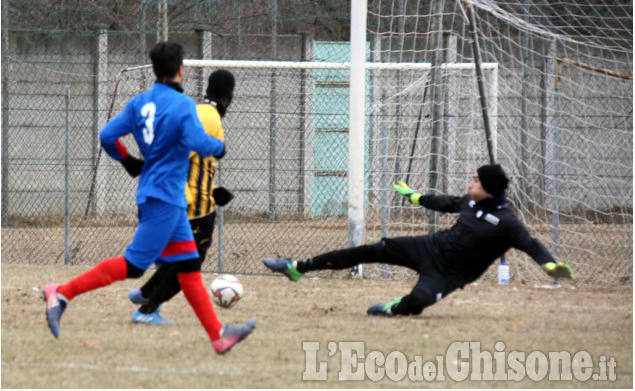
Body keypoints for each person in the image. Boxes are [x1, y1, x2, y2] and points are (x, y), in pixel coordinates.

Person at [43, 42, 256, 354]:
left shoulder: (139, 103)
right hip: (165, 198)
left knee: (188, 266)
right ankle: (61, 292)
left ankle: (218, 335)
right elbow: (200, 142)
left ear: (155, 70)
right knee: (133, 265)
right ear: (180, 69)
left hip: (157, 195)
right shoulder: (182, 105)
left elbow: (106, 136)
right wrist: (219, 147)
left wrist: (128, 160)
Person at [263, 164, 574, 317]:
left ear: (489, 187)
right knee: (370, 250)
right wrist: (415, 196)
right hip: (429, 247)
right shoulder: (470, 201)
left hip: (448, 274)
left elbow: (531, 244)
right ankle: (297, 266)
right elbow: (445, 202)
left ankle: (394, 308)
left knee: (418, 303)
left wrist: (549, 264)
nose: (471, 182)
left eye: (476, 179)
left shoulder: (507, 223)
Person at [123, 69, 236, 325]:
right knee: (189, 264)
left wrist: (214, 189)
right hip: (193, 205)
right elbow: (178, 156)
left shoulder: (201, 111)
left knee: (180, 258)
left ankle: (146, 293)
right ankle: (147, 309)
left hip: (191, 197)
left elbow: (194, 160)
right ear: (230, 96)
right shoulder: (210, 118)